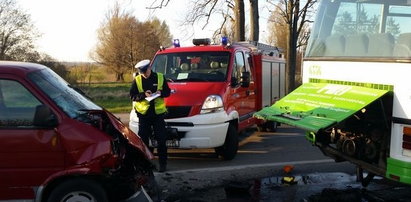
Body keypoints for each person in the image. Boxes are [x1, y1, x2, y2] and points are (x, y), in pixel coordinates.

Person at [130, 59, 171, 172]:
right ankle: (147, 165)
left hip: (158, 114)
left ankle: (162, 164)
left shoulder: (160, 77)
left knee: (161, 140)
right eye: (142, 72)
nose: (144, 74)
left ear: (149, 68)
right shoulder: (137, 79)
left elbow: (167, 92)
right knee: (143, 140)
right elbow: (132, 96)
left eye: (145, 72)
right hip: (144, 115)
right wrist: (143, 95)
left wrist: (160, 93)